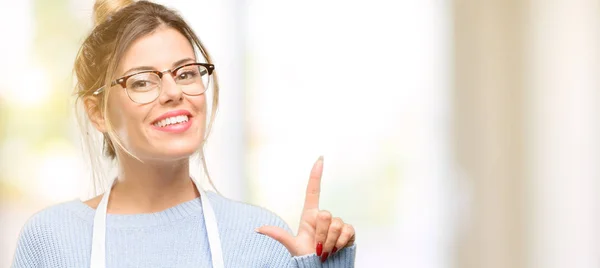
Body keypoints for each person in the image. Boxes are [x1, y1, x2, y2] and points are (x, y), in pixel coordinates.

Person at [11, 0, 357, 267]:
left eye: (187, 73)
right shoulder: (51, 240)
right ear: (96, 113)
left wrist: (321, 265)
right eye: (143, 81)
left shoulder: (262, 237)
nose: (173, 92)